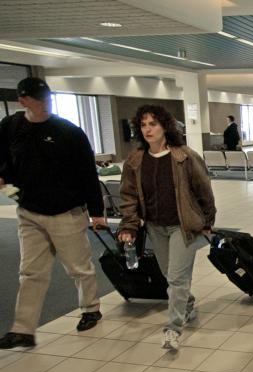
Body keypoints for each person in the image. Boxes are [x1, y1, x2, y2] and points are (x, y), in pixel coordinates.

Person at [0, 77, 106, 349]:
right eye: (37, 100)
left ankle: (91, 309)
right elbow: (4, 158)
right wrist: (5, 179)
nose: (44, 104)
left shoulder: (68, 132)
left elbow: (88, 174)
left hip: (65, 211)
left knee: (78, 267)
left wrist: (97, 212)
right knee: (30, 272)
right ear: (23, 101)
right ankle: (23, 329)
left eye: (46, 98)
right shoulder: (11, 127)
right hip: (29, 211)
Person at [117, 105, 216, 350]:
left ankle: (173, 329)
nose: (148, 129)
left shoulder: (184, 156)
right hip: (155, 226)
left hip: (183, 226)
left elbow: (204, 190)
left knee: (177, 277)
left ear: (165, 127)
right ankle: (187, 304)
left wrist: (207, 222)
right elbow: (128, 196)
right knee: (168, 275)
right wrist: (129, 225)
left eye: (153, 124)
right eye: (143, 125)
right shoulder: (135, 160)